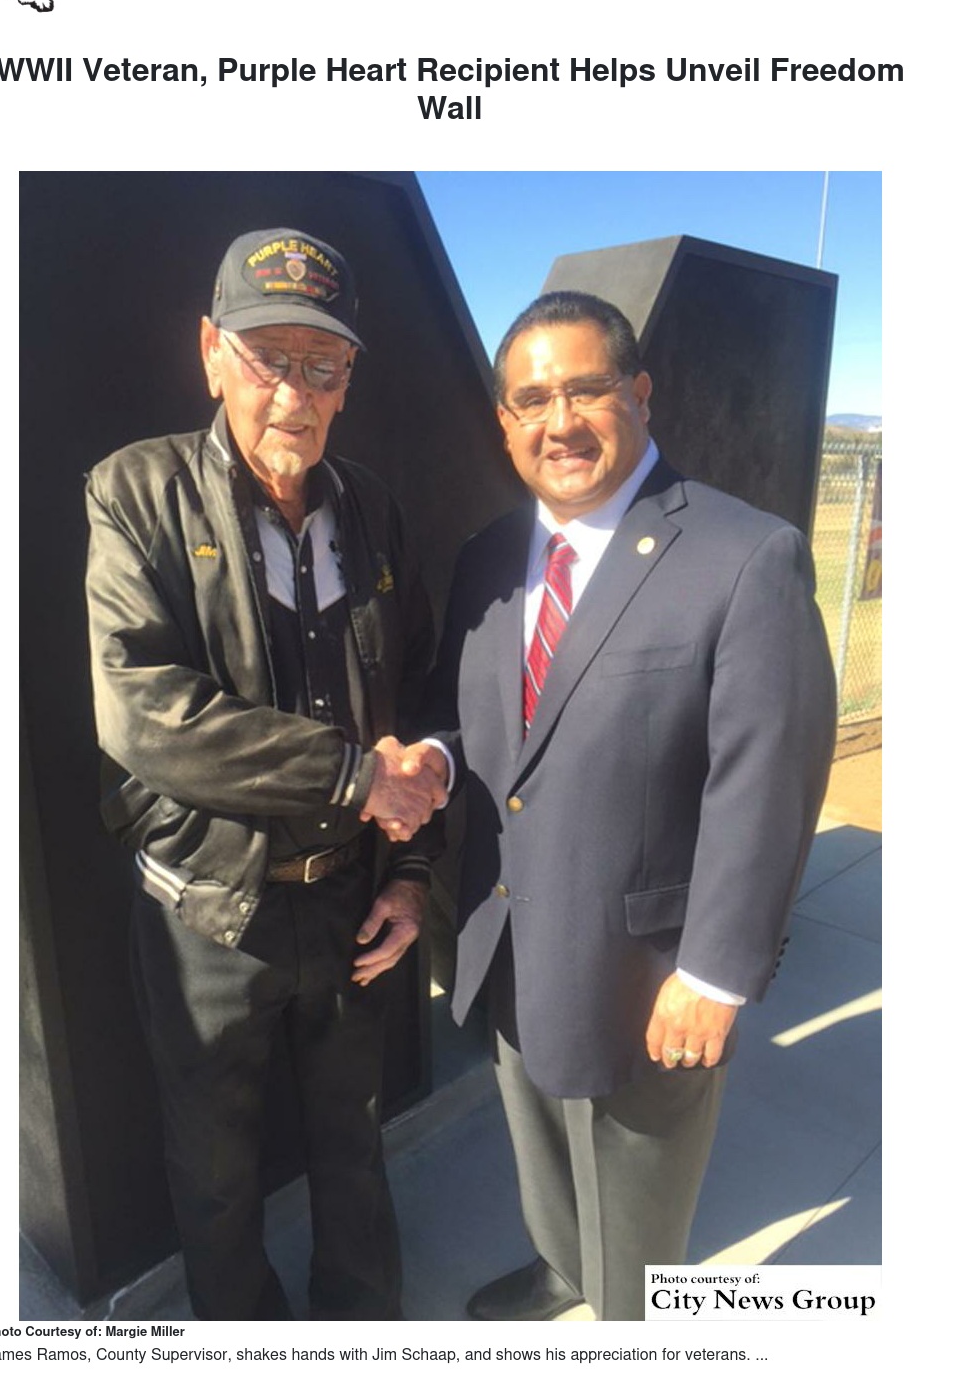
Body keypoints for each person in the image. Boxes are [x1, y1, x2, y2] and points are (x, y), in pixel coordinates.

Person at [416, 289, 837, 1322]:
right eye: (531, 400)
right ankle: (564, 1267)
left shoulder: (745, 555)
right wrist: (426, 758)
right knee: (540, 1148)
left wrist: (714, 972)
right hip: (507, 940)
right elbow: (469, 721)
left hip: (644, 973)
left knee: (639, 1211)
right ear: (505, 421)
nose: (558, 421)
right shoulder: (487, 558)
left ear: (640, 392)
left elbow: (767, 780)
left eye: (586, 389)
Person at [84, 227, 446, 1321]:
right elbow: (143, 710)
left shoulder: (372, 507)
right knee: (214, 1173)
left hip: (349, 901)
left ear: (349, 380)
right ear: (212, 354)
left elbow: (418, 694)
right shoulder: (135, 491)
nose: (296, 393)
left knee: (355, 1142)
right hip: (209, 917)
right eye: (268, 358)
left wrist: (411, 869)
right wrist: (350, 777)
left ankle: (361, 1324)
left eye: (323, 364)